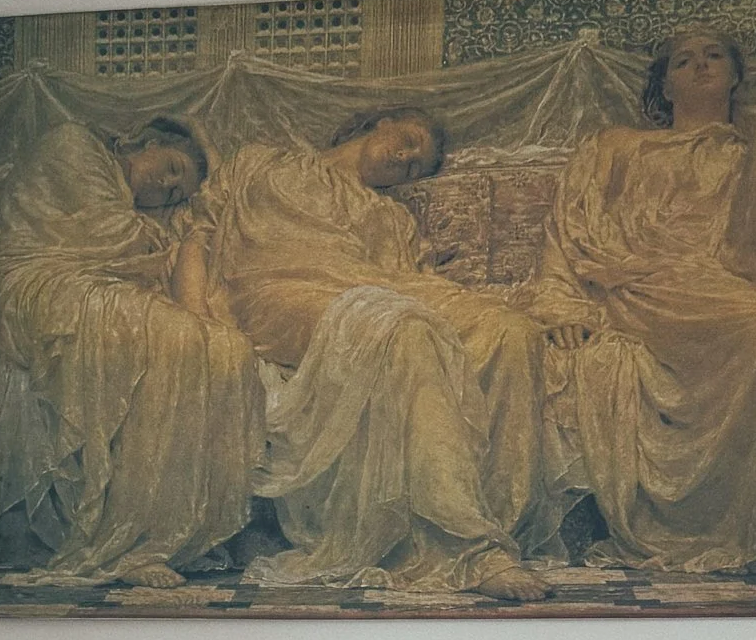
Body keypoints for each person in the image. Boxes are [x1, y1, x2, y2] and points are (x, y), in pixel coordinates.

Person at [530, 23, 756, 576]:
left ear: (735, 77)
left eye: (714, 56)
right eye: (683, 61)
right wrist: (560, 303)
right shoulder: (618, 146)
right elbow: (567, 229)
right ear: (664, 86)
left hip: (723, 283)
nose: (701, 65)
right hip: (641, 288)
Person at [204, 110, 555, 598]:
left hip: (377, 290)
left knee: (510, 331)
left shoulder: (392, 217)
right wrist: (200, 317)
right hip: (280, 293)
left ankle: (495, 525)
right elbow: (198, 236)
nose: (405, 159)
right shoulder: (260, 162)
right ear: (380, 122)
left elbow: (410, 279)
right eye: (407, 142)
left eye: (414, 167)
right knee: (405, 329)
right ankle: (464, 548)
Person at [0, 115, 261, 589]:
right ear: (144, 142)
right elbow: (112, 239)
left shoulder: (135, 213)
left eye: (174, 193)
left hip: (81, 286)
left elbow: (149, 254)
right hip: (28, 286)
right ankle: (128, 545)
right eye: (170, 168)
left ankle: (167, 536)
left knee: (226, 348)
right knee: (176, 339)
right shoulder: (73, 144)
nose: (164, 187)